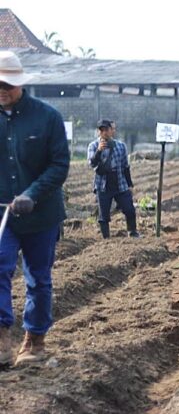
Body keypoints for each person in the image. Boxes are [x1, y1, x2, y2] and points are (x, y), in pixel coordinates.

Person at [0, 51, 69, 367]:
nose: (2, 90)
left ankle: (34, 341)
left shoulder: (47, 117)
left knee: (38, 278)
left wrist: (32, 194)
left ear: (20, 84)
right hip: (3, 215)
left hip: (41, 214)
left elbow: (59, 165)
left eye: (7, 84)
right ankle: (2, 336)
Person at [87, 119, 139, 239]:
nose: (104, 132)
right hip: (103, 185)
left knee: (129, 209)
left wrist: (130, 185)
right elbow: (92, 163)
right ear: (99, 132)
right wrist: (99, 151)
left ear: (112, 131)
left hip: (120, 183)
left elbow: (126, 166)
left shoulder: (120, 146)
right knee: (104, 215)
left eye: (107, 129)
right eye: (102, 130)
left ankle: (132, 231)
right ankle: (106, 238)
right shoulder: (93, 146)